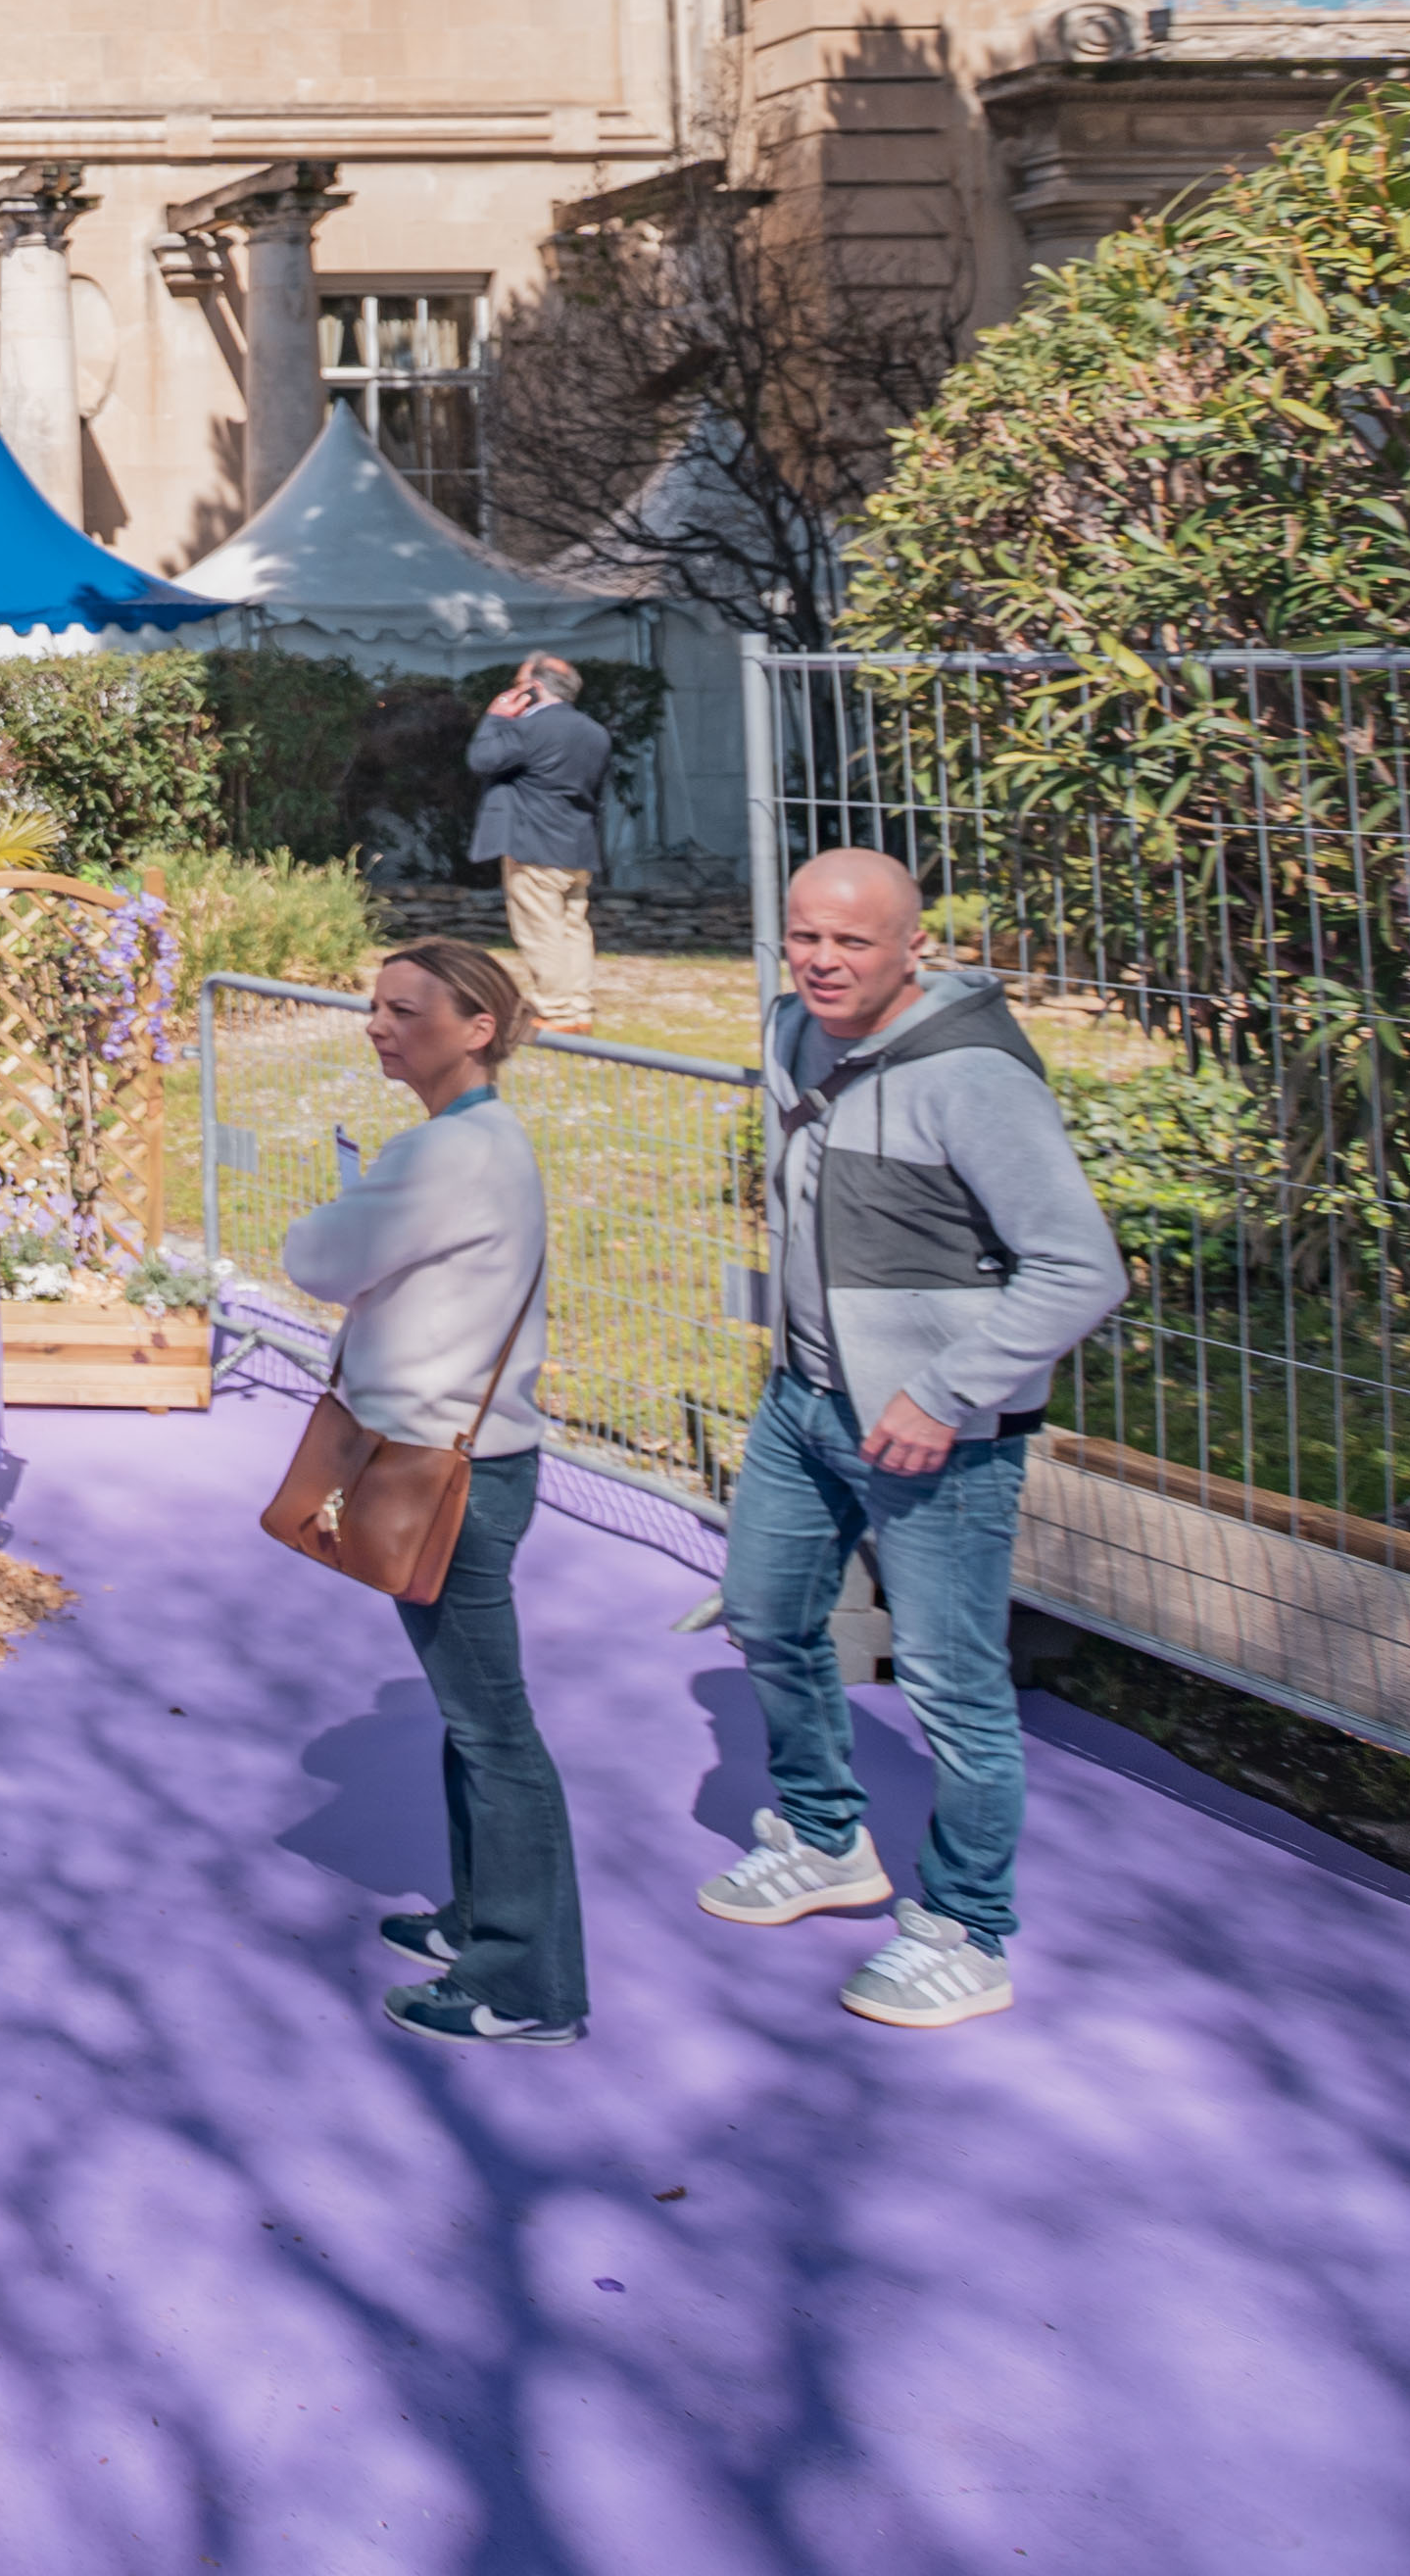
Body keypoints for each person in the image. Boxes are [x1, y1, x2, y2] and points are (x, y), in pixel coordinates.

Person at [705, 848, 1131, 2030]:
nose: (822, 960)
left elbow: (1081, 1269)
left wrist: (944, 1393)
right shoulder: (793, 1030)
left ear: (913, 947)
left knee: (952, 1683)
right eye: (804, 935)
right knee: (764, 1616)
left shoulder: (975, 1077)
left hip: (941, 1437)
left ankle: (965, 1929)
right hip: (803, 1403)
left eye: (852, 941)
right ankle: (825, 1838)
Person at [282, 940, 582, 2047]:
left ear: (477, 1028)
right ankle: (480, 1919)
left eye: (407, 1010)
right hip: (472, 1459)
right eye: (375, 1006)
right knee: (473, 1720)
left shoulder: (443, 1154)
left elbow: (315, 1258)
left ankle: (526, 1984)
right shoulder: (488, 1141)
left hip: (450, 1472)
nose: (379, 1026)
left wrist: (346, 1209)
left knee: (494, 1731)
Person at [467, 656, 616, 1032]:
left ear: (535, 688)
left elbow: (482, 759)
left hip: (532, 843)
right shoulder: (596, 732)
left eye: (519, 684)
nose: (513, 691)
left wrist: (495, 718)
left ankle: (555, 1009)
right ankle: (579, 1007)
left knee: (539, 929)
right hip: (577, 844)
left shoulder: (531, 728)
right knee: (573, 928)